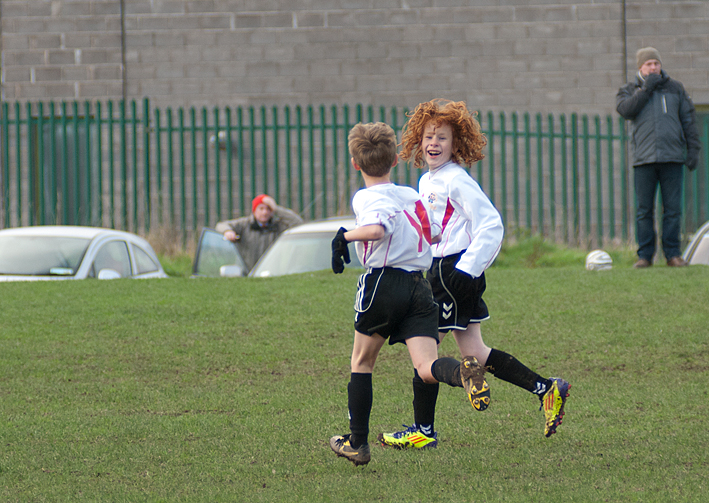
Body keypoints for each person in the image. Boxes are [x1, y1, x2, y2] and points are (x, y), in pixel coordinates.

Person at [378, 99, 570, 450]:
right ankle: (546, 388)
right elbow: (437, 228)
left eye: (442, 138)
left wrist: (467, 270)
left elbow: (491, 223)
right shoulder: (427, 179)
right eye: (428, 136)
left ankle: (423, 430)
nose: (434, 143)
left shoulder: (456, 180)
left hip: (452, 273)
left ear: (456, 144)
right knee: (476, 351)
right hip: (443, 270)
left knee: (424, 350)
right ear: (418, 140)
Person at [328, 121, 491, 467]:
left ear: (355, 164)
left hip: (384, 284)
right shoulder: (410, 195)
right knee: (426, 366)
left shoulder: (366, 196)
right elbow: (433, 233)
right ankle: (462, 372)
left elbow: (377, 229)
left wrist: (345, 236)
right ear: (394, 160)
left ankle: (357, 443)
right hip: (419, 287)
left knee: (362, 362)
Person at [616, 47, 701, 268]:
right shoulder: (629, 89)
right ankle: (645, 256)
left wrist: (693, 149)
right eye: (649, 64)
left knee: (672, 209)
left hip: (672, 157)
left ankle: (672, 254)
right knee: (644, 210)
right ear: (640, 67)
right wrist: (646, 89)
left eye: (656, 63)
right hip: (644, 159)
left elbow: (688, 119)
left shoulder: (675, 88)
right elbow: (625, 110)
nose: (653, 68)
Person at [214, 194, 303, 271]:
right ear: (254, 211)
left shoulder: (278, 226)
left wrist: (276, 209)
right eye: (261, 209)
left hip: (272, 271)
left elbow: (297, 222)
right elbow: (221, 225)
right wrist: (228, 231)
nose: (265, 212)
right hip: (247, 272)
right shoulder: (244, 224)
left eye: (268, 209)